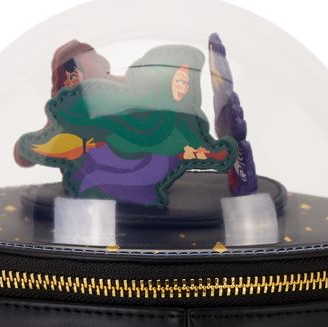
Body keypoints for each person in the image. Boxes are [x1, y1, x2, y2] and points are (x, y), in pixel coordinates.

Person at [15, 43, 237, 207]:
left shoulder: (172, 118)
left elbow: (192, 147)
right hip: (103, 187)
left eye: (187, 82)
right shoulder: (101, 112)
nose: (185, 88)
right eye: (180, 80)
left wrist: (216, 154)